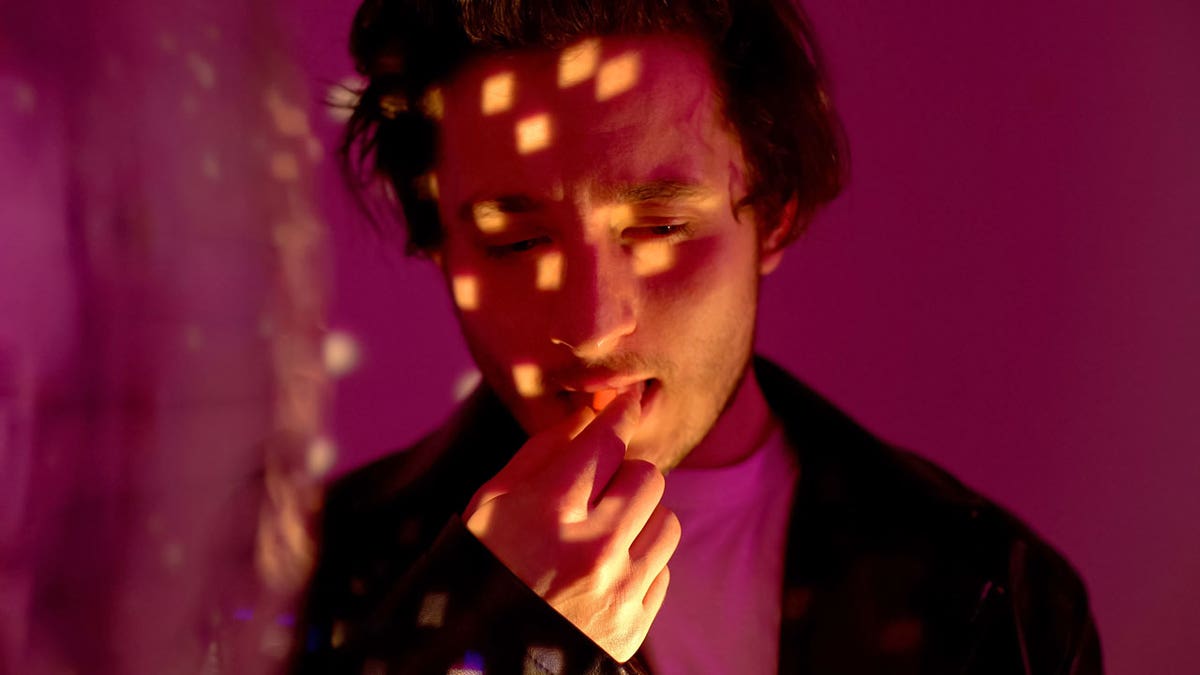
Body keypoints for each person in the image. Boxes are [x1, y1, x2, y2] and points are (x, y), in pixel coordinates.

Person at [291, 1, 1102, 673]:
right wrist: (494, 636)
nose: (590, 326)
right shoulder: (308, 578)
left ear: (773, 215)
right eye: (516, 242)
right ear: (439, 243)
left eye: (661, 227)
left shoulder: (991, 590)